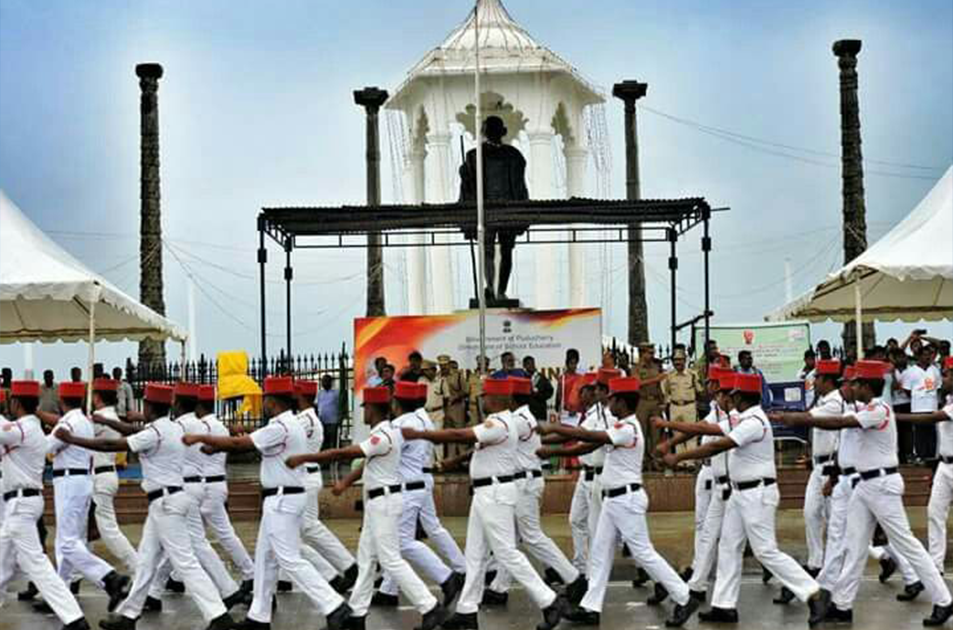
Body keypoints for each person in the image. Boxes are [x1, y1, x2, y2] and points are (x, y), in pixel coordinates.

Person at [774, 361, 951, 626]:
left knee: (906, 543)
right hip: (865, 485)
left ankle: (944, 600)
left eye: (855, 383)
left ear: (867, 386)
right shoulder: (867, 409)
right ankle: (842, 605)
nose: (851, 387)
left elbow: (839, 422)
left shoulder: (878, 409)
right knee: (853, 545)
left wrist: (797, 418)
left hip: (882, 485)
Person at [56, 382, 237, 630]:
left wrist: (73, 439)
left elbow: (112, 445)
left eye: (146, 404)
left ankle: (219, 616)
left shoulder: (155, 433)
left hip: (166, 503)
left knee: (185, 562)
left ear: (151, 406)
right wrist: (110, 423)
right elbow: (133, 430)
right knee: (146, 561)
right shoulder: (171, 428)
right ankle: (129, 615)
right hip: (168, 500)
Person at [183, 376, 352, 630]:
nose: (263, 404)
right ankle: (258, 618)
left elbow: (241, 444)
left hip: (283, 499)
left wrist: (203, 440)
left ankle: (334, 606)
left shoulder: (282, 426)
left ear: (272, 402)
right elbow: (251, 439)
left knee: (289, 559)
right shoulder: (286, 424)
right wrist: (223, 441)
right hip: (281, 498)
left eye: (265, 400)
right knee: (265, 559)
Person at [662, 373, 828, 625]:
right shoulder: (743, 418)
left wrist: (679, 457)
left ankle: (813, 593)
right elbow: (709, 429)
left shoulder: (754, 421)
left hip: (757, 494)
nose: (729, 399)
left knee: (765, 551)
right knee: (728, 547)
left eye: (732, 395)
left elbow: (718, 445)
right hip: (740, 494)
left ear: (740, 396)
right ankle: (724, 605)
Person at [403, 378, 567, 630]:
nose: (483, 399)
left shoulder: (500, 422)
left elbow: (461, 434)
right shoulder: (500, 422)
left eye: (487, 395)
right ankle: (467, 610)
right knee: (475, 554)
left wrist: (421, 434)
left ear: (499, 399)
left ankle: (549, 601)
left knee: (506, 553)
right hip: (485, 493)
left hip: (496, 493)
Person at [539, 376, 699, 628]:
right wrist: (554, 449)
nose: (608, 402)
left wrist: (556, 432)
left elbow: (589, 436)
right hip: (614, 500)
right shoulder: (622, 425)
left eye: (612, 398)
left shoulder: (627, 429)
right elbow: (586, 445)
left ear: (622, 402)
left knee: (644, 553)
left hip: (626, 499)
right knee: (600, 555)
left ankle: (684, 596)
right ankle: (590, 608)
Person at [286, 384, 446, 630]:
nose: (364, 412)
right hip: (378, 502)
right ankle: (357, 614)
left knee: (390, 559)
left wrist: (307, 457)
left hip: (384, 503)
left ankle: (429, 606)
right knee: (367, 559)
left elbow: (349, 452)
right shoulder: (389, 432)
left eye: (366, 408)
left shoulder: (382, 435)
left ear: (374, 409)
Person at [482, 377, 587, 605]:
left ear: (511, 397)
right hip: (523, 481)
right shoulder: (523, 417)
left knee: (531, 536)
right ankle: (499, 588)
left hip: (524, 483)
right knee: (511, 538)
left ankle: (573, 578)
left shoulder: (518, 420)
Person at [0, 380, 91, 630]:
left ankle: (74, 619)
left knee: (37, 565)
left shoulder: (21, 430)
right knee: (3, 565)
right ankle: (74, 618)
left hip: (21, 503)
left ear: (16, 403)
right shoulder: (31, 429)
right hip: (21, 503)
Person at [370, 381, 466, 610]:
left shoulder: (403, 425)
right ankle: (389, 589)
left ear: (397, 402)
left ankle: (447, 577)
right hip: (420, 480)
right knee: (428, 529)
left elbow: (387, 452)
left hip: (407, 487)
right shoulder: (422, 417)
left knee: (401, 541)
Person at [38, 381, 131, 612]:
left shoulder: (68, 422)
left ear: (61, 401)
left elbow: (45, 448)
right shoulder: (83, 421)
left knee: (68, 543)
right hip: (81, 481)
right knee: (67, 541)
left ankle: (109, 577)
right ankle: (61, 593)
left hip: (69, 482)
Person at [654, 367, 735, 599]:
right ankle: (697, 575)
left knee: (729, 539)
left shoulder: (730, 416)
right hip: (707, 473)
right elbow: (694, 430)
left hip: (723, 481)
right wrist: (670, 444)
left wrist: (671, 434)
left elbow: (700, 431)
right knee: (704, 529)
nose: (708, 387)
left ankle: (699, 577)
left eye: (712, 384)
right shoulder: (715, 411)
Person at [293, 380, 357, 593]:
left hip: (304, 479)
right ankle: (342, 569)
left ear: (300, 396)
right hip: (307, 476)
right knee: (300, 531)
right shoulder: (312, 419)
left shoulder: (304, 420)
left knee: (300, 531)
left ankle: (343, 569)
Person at [193, 385, 256, 596]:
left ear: (199, 406)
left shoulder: (200, 426)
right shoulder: (219, 426)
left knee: (220, 535)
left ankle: (250, 573)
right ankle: (167, 579)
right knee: (190, 534)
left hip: (206, 486)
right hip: (216, 482)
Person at [458, 115, 529, 301]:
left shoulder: (509, 156)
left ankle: (497, 289)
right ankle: (493, 288)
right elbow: (469, 184)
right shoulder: (476, 156)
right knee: (494, 250)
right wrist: (464, 174)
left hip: (502, 211)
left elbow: (519, 183)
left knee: (501, 251)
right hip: (491, 211)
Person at [894, 356, 953, 574]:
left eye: (946, 375)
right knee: (934, 513)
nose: (942, 378)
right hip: (945, 466)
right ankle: (936, 565)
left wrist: (895, 416)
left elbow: (929, 419)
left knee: (936, 514)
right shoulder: (948, 400)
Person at [538, 373, 600, 573]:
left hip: (597, 477)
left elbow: (578, 437)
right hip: (585, 475)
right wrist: (539, 441)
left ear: (591, 393)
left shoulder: (600, 415)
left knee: (597, 528)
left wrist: (550, 442)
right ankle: (581, 567)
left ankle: (590, 573)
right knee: (576, 520)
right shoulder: (589, 415)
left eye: (581, 392)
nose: (578, 397)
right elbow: (571, 435)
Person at [88, 378, 139, 576]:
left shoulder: (99, 418)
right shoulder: (113, 417)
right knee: (85, 529)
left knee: (108, 530)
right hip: (104, 474)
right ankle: (73, 576)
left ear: (97, 397)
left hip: (100, 476)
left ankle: (136, 567)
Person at [900, 344, 942, 462]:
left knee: (932, 432)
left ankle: (931, 456)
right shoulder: (911, 371)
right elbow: (907, 389)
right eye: (925, 355)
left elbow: (938, 386)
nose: (927, 357)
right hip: (918, 407)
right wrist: (917, 396)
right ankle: (920, 455)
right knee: (919, 432)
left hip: (932, 406)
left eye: (929, 355)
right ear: (919, 357)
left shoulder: (934, 370)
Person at [661, 348, 702, 460]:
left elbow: (699, 390)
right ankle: (680, 461)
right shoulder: (669, 376)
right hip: (674, 407)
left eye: (680, 359)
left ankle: (690, 461)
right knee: (677, 435)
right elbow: (666, 392)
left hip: (689, 406)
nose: (678, 362)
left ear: (685, 360)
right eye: (675, 360)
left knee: (690, 434)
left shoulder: (692, 375)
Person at [634, 343, 666, 458]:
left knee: (655, 433)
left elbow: (659, 386)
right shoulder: (636, 368)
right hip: (642, 402)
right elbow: (637, 384)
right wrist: (655, 379)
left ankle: (655, 459)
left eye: (653, 353)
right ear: (642, 353)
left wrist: (662, 401)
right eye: (650, 353)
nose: (652, 355)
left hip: (655, 402)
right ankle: (643, 459)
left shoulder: (656, 366)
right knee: (642, 431)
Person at [435, 355, 467, 459]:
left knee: (460, 434)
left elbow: (465, 391)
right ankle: (451, 460)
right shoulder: (437, 376)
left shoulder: (457, 375)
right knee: (448, 435)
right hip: (443, 409)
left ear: (449, 364)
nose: (443, 367)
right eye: (441, 365)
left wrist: (455, 398)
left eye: (445, 365)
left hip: (457, 407)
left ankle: (463, 460)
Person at [555, 349, 585, 427]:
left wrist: (577, 409)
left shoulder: (581, 378)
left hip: (578, 413)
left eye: (575, 363)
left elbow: (583, 396)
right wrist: (564, 409)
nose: (574, 366)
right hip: (566, 413)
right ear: (567, 364)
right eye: (572, 363)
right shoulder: (562, 378)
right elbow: (559, 396)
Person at [523, 356, 554, 421]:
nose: (532, 366)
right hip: (526, 413)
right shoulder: (521, 378)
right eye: (529, 364)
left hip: (540, 412)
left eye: (533, 363)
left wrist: (539, 396)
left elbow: (550, 391)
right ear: (524, 366)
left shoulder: (540, 377)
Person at [317, 374, 341, 451]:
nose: (324, 383)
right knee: (323, 442)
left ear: (330, 382)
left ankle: (332, 460)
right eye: (323, 381)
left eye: (326, 381)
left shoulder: (336, 393)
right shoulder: (320, 393)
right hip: (322, 421)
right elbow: (317, 405)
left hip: (333, 422)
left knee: (332, 442)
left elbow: (340, 405)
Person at [466, 355, 488, 426]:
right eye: (479, 363)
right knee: (474, 428)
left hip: (485, 407)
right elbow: (467, 391)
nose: (481, 365)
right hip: (473, 406)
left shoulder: (491, 377)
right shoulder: (472, 376)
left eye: (484, 363)